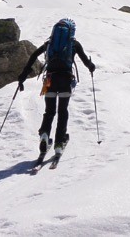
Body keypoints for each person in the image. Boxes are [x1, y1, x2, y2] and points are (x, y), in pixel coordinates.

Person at [17, 18, 95, 156]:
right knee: (63, 112)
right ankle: (59, 142)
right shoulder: (74, 44)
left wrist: (23, 74)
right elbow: (85, 61)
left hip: (50, 80)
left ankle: (45, 135)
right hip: (65, 80)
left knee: (49, 111)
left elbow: (34, 55)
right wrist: (91, 66)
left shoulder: (49, 44)